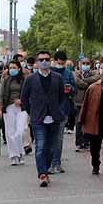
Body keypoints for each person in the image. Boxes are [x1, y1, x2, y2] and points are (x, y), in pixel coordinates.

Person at [20, 50, 68, 188]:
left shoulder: (58, 78)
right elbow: (24, 98)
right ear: (37, 62)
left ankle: (45, 169)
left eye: (46, 59)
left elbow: (61, 96)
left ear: (51, 60)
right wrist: (31, 111)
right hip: (38, 118)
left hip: (54, 117)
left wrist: (58, 110)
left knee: (52, 147)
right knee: (40, 146)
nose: (44, 62)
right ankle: (42, 174)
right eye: (41, 60)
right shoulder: (30, 79)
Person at [48, 50, 75, 174]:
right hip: (49, 110)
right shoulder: (49, 73)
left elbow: (74, 89)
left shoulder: (68, 73)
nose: (61, 65)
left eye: (63, 63)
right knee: (49, 138)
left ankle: (56, 162)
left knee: (58, 139)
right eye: (59, 63)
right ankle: (49, 162)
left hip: (63, 109)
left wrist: (70, 89)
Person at [0, 60, 27, 166]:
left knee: (21, 131)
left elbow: (29, 94)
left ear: (19, 69)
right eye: (10, 68)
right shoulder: (5, 80)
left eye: (14, 68)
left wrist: (22, 100)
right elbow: (0, 95)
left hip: (22, 108)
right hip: (8, 107)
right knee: (10, 132)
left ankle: (20, 152)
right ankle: (13, 156)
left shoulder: (25, 80)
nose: (12, 70)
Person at [74, 57, 101, 151]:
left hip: (90, 102)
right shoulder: (76, 74)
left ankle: (87, 141)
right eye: (83, 63)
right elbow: (77, 82)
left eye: (87, 63)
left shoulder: (92, 73)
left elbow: (98, 77)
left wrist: (85, 80)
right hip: (79, 102)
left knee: (89, 122)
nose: (85, 65)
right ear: (80, 64)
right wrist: (89, 83)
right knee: (79, 122)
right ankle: (79, 142)